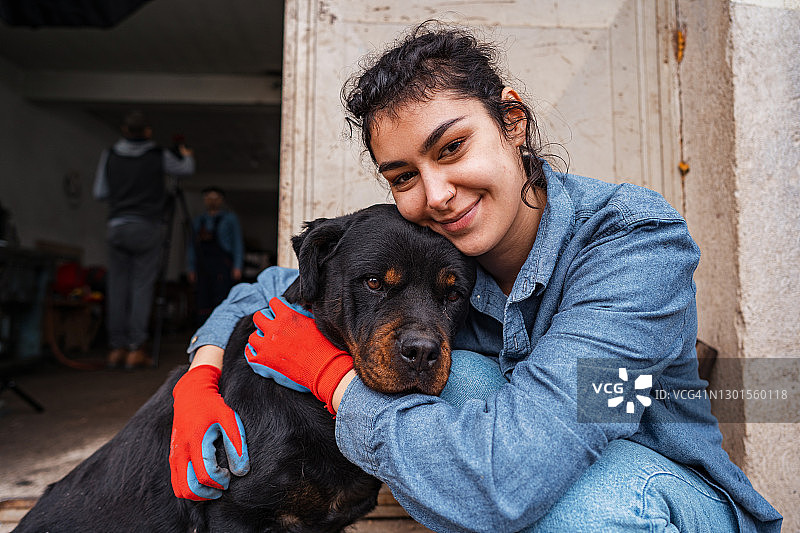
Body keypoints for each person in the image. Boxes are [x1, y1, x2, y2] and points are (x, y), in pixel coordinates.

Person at [166, 24, 781, 532]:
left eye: (453, 147)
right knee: (453, 372)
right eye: (403, 176)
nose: (436, 193)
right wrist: (200, 380)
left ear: (511, 122)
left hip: (656, 492)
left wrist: (335, 380)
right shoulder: (439, 251)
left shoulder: (636, 247)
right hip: (522, 480)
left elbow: (514, 476)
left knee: (579, 505)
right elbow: (273, 288)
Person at [94, 110, 195, 369]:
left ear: (124, 131)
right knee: (141, 288)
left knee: (116, 287)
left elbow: (100, 192)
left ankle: (115, 348)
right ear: (147, 131)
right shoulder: (158, 155)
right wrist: (185, 154)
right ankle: (135, 348)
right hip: (146, 226)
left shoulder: (110, 154)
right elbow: (185, 170)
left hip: (116, 226)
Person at [187, 186, 244, 326]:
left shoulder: (230, 219)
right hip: (203, 265)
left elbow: (237, 242)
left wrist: (237, 266)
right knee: (202, 297)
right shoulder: (198, 221)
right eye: (209, 198)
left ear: (221, 200)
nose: (212, 201)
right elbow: (191, 246)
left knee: (221, 296)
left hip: (222, 264)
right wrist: (190, 267)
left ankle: (221, 327)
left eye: (215, 198)